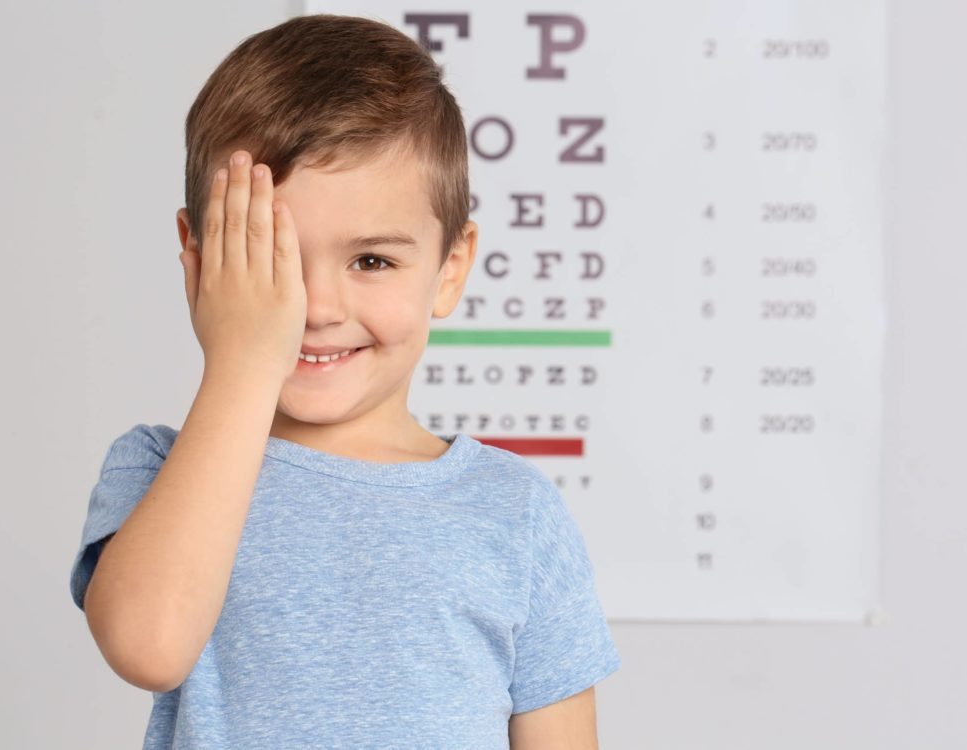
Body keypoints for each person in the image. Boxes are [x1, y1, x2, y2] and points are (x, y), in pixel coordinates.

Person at [68, 13, 620, 749]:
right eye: (273, 260)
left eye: (371, 261)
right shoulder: (156, 470)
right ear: (197, 259)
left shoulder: (513, 514)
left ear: (449, 269)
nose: (318, 309)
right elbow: (149, 645)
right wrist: (243, 360)